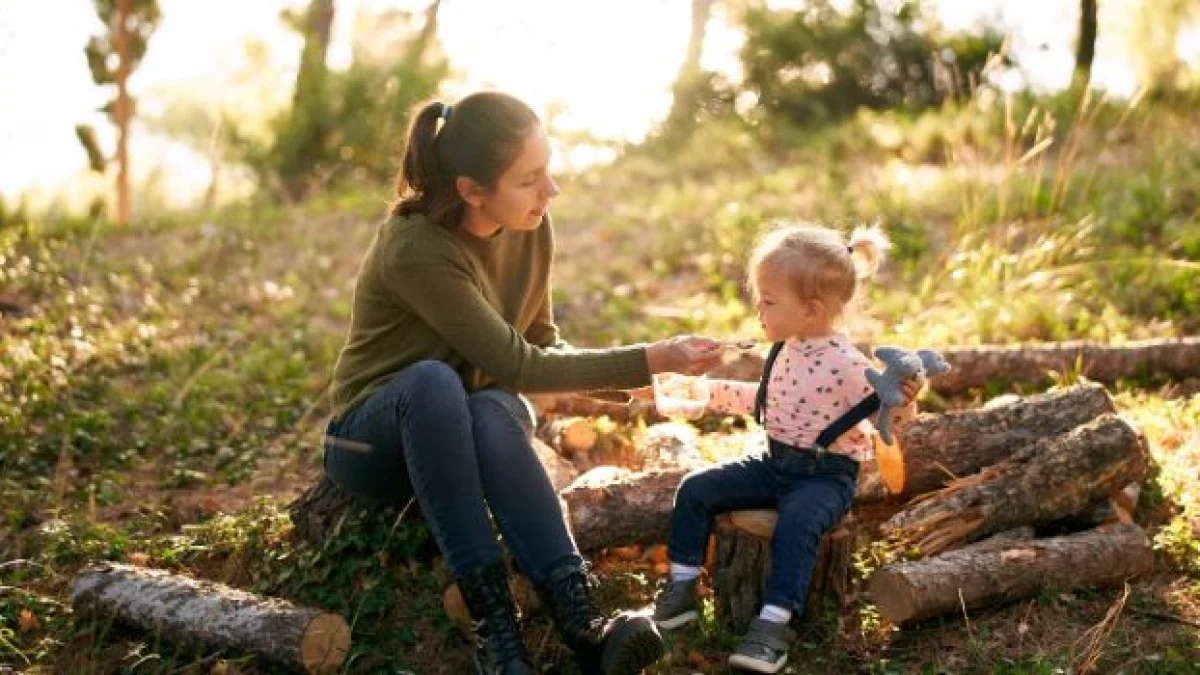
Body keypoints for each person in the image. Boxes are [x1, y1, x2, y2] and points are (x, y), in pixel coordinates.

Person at [322, 91, 724, 675]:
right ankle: (495, 631)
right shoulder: (416, 248)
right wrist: (650, 357)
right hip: (371, 441)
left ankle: (583, 621)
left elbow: (538, 343)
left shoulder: (531, 225)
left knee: (488, 408)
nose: (550, 191)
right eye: (530, 179)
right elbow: (521, 365)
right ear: (470, 190)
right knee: (436, 384)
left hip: (469, 425)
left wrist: (629, 378)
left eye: (549, 171)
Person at [649, 224, 921, 674]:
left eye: (770, 301)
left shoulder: (851, 367)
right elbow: (761, 399)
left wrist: (904, 402)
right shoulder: (787, 349)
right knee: (697, 488)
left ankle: (774, 623)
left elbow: (883, 422)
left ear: (811, 311)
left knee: (797, 524)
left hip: (825, 476)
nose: (759, 311)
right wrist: (701, 391)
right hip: (775, 464)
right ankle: (681, 589)